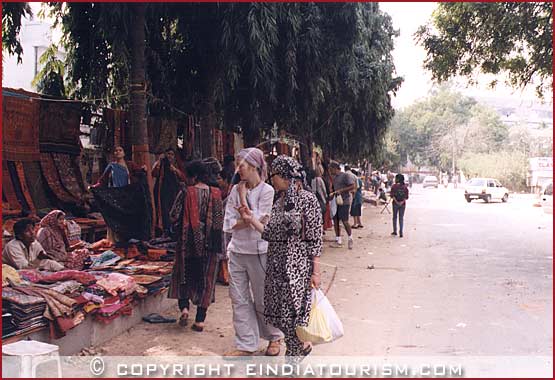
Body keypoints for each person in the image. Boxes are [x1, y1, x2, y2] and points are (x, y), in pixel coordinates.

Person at [238, 155, 322, 360]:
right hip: (276, 267)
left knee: (293, 316)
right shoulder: (279, 201)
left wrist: (315, 271)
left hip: (297, 269)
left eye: (274, 175)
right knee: (281, 317)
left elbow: (315, 238)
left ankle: (294, 357)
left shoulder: (307, 200)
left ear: (285, 176)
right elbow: (269, 233)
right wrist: (250, 220)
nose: (271, 180)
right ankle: (298, 348)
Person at [223, 147, 284, 357]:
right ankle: (246, 343)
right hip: (238, 251)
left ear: (254, 166)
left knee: (263, 299)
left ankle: (274, 337)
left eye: (242, 165)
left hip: (260, 252)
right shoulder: (234, 189)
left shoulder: (267, 191)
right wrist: (246, 216)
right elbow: (230, 222)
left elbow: (259, 219)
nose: (238, 169)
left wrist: (243, 201)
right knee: (239, 298)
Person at [168, 160, 223, 332]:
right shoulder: (216, 193)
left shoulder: (186, 192)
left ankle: (184, 308)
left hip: (188, 242)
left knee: (183, 275)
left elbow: (173, 215)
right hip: (210, 244)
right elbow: (218, 219)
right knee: (206, 279)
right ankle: (200, 320)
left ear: (193, 176)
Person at [203, 157, 230, 286]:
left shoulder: (228, 195)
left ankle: (224, 274)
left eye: (220, 178)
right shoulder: (216, 192)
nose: (217, 180)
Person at [152, 148, 186, 237]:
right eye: (168, 154)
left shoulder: (177, 165)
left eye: (171, 154)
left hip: (174, 191)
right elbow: (153, 173)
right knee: (163, 210)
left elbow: (183, 177)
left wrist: (174, 170)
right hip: (162, 191)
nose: (169, 156)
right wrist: (158, 162)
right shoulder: (161, 164)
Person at [328, 161, 356, 249]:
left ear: (334, 168)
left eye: (331, 169)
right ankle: (338, 239)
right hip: (336, 200)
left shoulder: (345, 176)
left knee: (345, 221)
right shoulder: (335, 178)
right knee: (335, 220)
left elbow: (352, 186)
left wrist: (341, 190)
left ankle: (350, 238)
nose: (330, 171)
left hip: (344, 201)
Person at [390, 173, 409, 238]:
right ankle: (401, 232)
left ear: (397, 179)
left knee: (394, 217)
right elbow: (406, 197)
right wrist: (401, 202)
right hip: (403, 204)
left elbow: (392, 196)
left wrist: (397, 202)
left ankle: (395, 231)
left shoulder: (394, 186)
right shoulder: (405, 187)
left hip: (395, 204)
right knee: (401, 218)